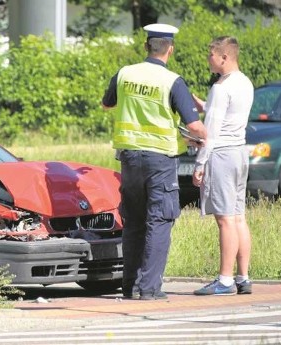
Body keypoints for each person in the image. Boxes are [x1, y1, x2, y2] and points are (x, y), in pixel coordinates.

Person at [101, 23, 206, 300]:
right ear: (170, 49)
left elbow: (107, 104)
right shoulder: (172, 81)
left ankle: (130, 287)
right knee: (159, 221)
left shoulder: (125, 74)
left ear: (147, 46)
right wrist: (211, 137)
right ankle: (149, 289)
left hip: (129, 160)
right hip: (159, 161)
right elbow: (194, 125)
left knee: (133, 221)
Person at [191, 36, 254, 296]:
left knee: (224, 220)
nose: (209, 60)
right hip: (240, 152)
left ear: (224, 57)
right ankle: (243, 277)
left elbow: (212, 132)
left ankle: (224, 280)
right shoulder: (244, 82)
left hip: (223, 156)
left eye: (212, 55)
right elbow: (229, 114)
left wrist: (199, 163)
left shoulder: (220, 87)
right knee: (238, 217)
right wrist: (205, 106)